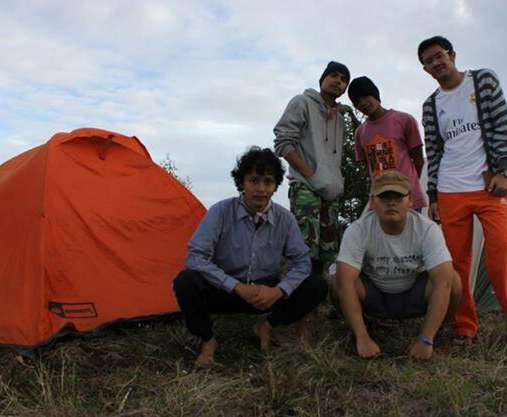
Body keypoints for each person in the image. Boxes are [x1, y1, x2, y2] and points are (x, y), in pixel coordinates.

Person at [418, 35, 507, 353]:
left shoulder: (482, 80)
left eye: (439, 56)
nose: (435, 63)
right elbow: (434, 149)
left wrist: (503, 170)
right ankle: (465, 327)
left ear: (452, 55)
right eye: (428, 61)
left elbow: (501, 123)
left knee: (504, 252)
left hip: (489, 185)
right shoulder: (431, 105)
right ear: (425, 69)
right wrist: (434, 196)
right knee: (456, 263)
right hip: (450, 189)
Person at [173, 147, 328, 366]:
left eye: (268, 182)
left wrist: (278, 291)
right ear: (242, 183)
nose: (261, 189)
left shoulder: (285, 219)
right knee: (186, 282)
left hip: (266, 293)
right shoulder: (220, 211)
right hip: (226, 289)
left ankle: (267, 325)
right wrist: (236, 286)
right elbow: (195, 257)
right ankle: (208, 339)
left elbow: (301, 262)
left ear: (275, 186)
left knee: (317, 285)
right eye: (254, 181)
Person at [332, 171, 461, 360]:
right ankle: (360, 332)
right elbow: (345, 281)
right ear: (373, 201)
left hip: (413, 295)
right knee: (337, 281)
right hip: (374, 296)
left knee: (453, 281)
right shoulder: (358, 229)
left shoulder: (427, 229)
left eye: (398, 197)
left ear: (410, 200)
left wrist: (425, 339)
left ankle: (436, 334)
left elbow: (444, 282)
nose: (391, 203)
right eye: (384, 197)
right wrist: (362, 338)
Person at [273, 61, 350, 331]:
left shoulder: (339, 117)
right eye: (333, 75)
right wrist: (311, 175)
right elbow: (283, 141)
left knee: (323, 257)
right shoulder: (302, 102)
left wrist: (330, 183)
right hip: (306, 189)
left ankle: (309, 309)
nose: (338, 81)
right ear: (322, 79)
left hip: (331, 194)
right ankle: (294, 317)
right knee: (303, 254)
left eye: (343, 79)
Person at [347, 76, 427, 212]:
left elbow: (419, 160)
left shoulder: (404, 120)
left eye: (366, 96)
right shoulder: (360, 133)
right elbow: (369, 168)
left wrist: (409, 186)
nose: (363, 103)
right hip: (379, 201)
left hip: (407, 199)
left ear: (375, 94)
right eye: (358, 102)